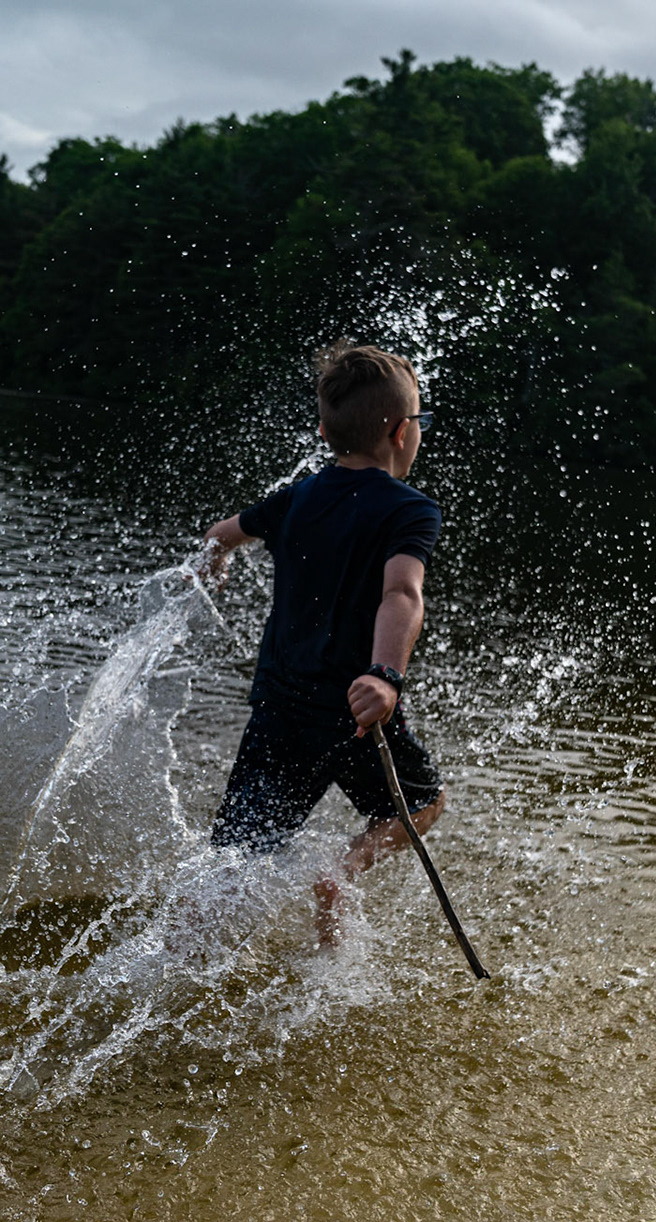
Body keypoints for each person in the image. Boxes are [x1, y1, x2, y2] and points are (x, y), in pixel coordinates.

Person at [198, 342, 447, 945]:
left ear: (324, 429)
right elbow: (402, 596)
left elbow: (220, 534)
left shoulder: (297, 496)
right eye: (418, 421)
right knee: (421, 804)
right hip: (351, 715)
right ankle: (342, 872)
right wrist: (385, 674)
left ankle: (174, 961)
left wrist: (215, 559)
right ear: (397, 431)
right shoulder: (410, 510)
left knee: (233, 862)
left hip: (278, 712)